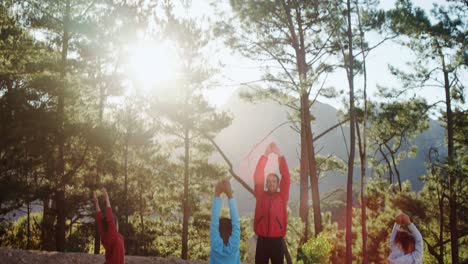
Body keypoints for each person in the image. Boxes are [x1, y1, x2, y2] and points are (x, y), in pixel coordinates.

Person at [253, 142, 291, 264]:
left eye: (274, 181)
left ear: (278, 184)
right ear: (266, 184)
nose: (271, 183)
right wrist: (266, 155)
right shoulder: (260, 195)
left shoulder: (282, 196)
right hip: (262, 240)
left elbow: (286, 176)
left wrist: (279, 154)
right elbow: (258, 174)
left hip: (277, 242)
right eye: (268, 181)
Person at [209, 180, 241, 264]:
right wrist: (230, 195)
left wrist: (217, 194)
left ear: (218, 230)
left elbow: (214, 222)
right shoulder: (234, 243)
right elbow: (236, 222)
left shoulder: (216, 243)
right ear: (231, 230)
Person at [93, 188, 125, 264]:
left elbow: (99, 220)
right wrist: (106, 197)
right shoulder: (113, 236)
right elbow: (110, 218)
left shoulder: (105, 236)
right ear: (114, 225)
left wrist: (96, 202)